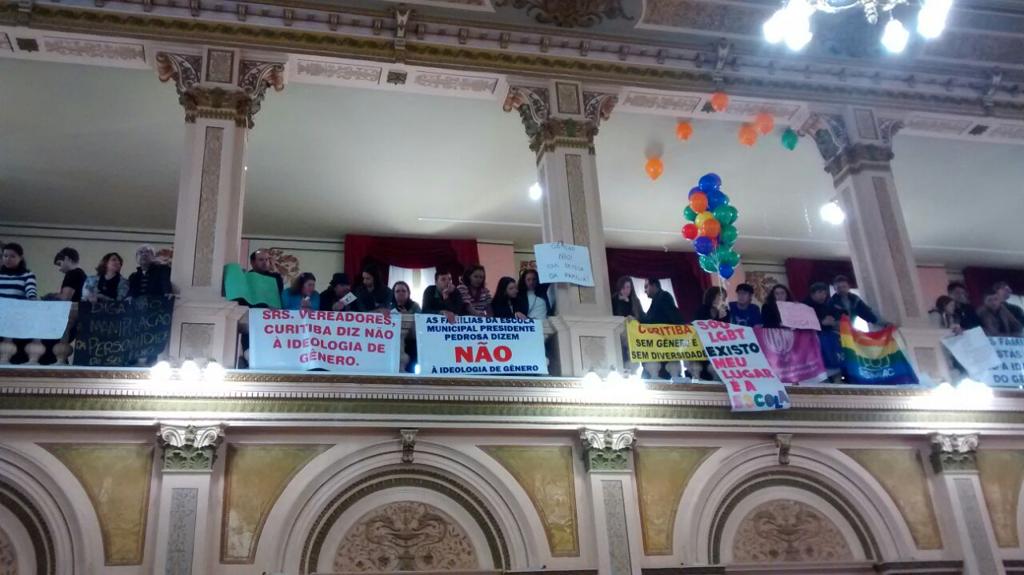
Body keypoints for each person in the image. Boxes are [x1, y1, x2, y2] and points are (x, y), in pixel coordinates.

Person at [640, 278, 684, 381]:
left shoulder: (664, 297)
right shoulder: (657, 299)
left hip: (665, 345)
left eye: (646, 287)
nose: (645, 291)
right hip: (660, 346)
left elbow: (671, 317)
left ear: (654, 285)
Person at [804, 282, 844, 381]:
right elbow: (803, 323)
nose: (823, 296)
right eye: (820, 293)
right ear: (812, 294)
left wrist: (835, 322)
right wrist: (821, 323)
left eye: (825, 293)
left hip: (829, 338)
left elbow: (836, 316)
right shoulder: (804, 306)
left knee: (833, 360)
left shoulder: (827, 304)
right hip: (812, 340)